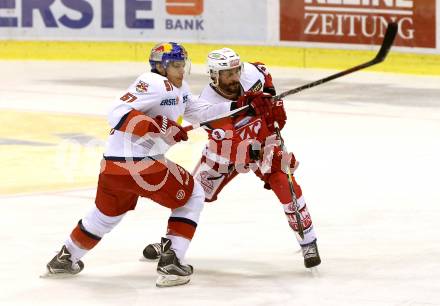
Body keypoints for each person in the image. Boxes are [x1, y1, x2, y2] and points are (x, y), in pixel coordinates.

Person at [43, 43, 267, 287]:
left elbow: (205, 113)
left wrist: (242, 107)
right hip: (141, 164)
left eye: (183, 65)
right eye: (176, 66)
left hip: (113, 168)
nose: (182, 70)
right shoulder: (151, 82)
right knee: (193, 195)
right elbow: (117, 114)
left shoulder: (178, 89)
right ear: (160, 66)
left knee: (106, 215)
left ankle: (66, 258)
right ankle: (172, 262)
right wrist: (160, 126)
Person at [143, 48, 321, 269]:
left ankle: (308, 242)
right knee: (192, 195)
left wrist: (271, 97)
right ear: (215, 76)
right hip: (226, 153)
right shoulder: (209, 105)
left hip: (263, 142)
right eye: (228, 74)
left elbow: (262, 70)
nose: (235, 78)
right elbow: (229, 144)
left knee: (284, 183)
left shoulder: (251, 74)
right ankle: (171, 243)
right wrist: (251, 149)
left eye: (237, 71)